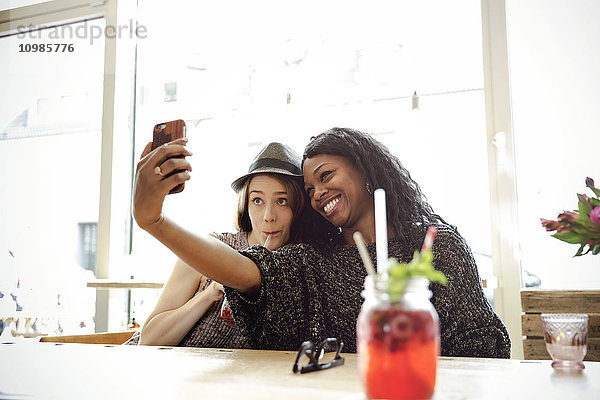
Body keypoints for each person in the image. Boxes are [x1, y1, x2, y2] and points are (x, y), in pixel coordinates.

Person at [133, 128, 511, 357]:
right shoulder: (315, 260)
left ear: (365, 170)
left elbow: (481, 350)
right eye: (310, 189)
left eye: (327, 175)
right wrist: (154, 220)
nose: (318, 194)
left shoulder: (436, 246)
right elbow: (249, 270)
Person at [133, 142, 327, 347]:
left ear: (299, 208)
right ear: (246, 204)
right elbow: (148, 340)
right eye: (258, 201)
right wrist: (208, 295)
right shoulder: (211, 247)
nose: (269, 217)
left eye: (282, 201)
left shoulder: (301, 265)